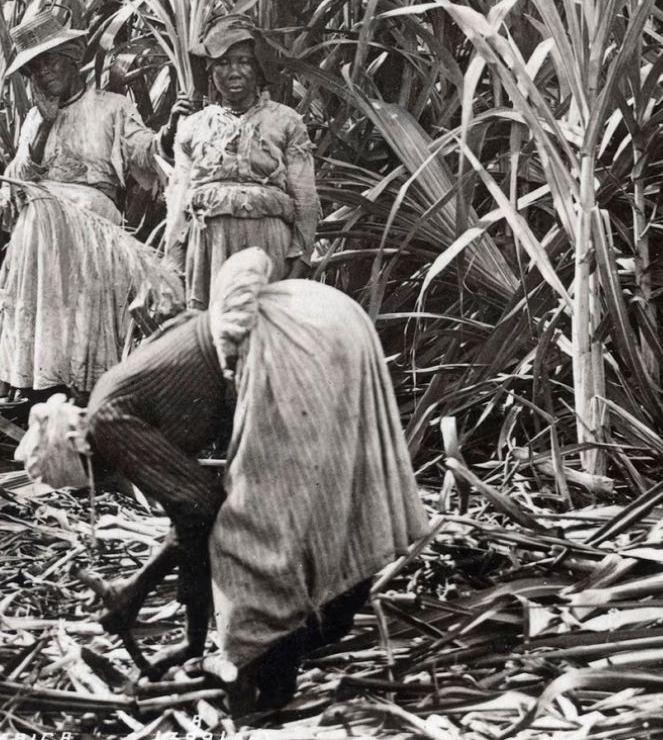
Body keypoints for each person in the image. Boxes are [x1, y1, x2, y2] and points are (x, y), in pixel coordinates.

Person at [26, 248, 428, 713]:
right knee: (337, 487)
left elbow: (201, 511)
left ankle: (269, 694)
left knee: (253, 532)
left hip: (283, 349)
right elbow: (190, 524)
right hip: (317, 312)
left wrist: (134, 592)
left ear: (84, 464)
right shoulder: (115, 385)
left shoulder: (106, 424)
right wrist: (191, 643)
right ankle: (320, 624)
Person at [0, 6, 176, 401]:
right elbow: (15, 185)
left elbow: (141, 150)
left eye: (50, 61)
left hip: (90, 223)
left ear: (72, 58)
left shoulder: (111, 106)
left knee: (85, 312)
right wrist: (46, 124)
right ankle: (42, 387)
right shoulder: (36, 119)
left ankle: (87, 389)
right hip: (40, 233)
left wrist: (167, 138)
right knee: (47, 301)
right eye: (35, 69)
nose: (44, 73)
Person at [166, 17, 321, 308]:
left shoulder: (286, 121)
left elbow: (305, 196)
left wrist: (301, 256)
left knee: (265, 337)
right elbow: (177, 202)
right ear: (210, 71)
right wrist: (173, 262)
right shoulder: (193, 127)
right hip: (208, 248)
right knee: (211, 337)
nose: (233, 71)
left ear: (258, 67)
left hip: (267, 244)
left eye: (243, 61)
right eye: (222, 63)